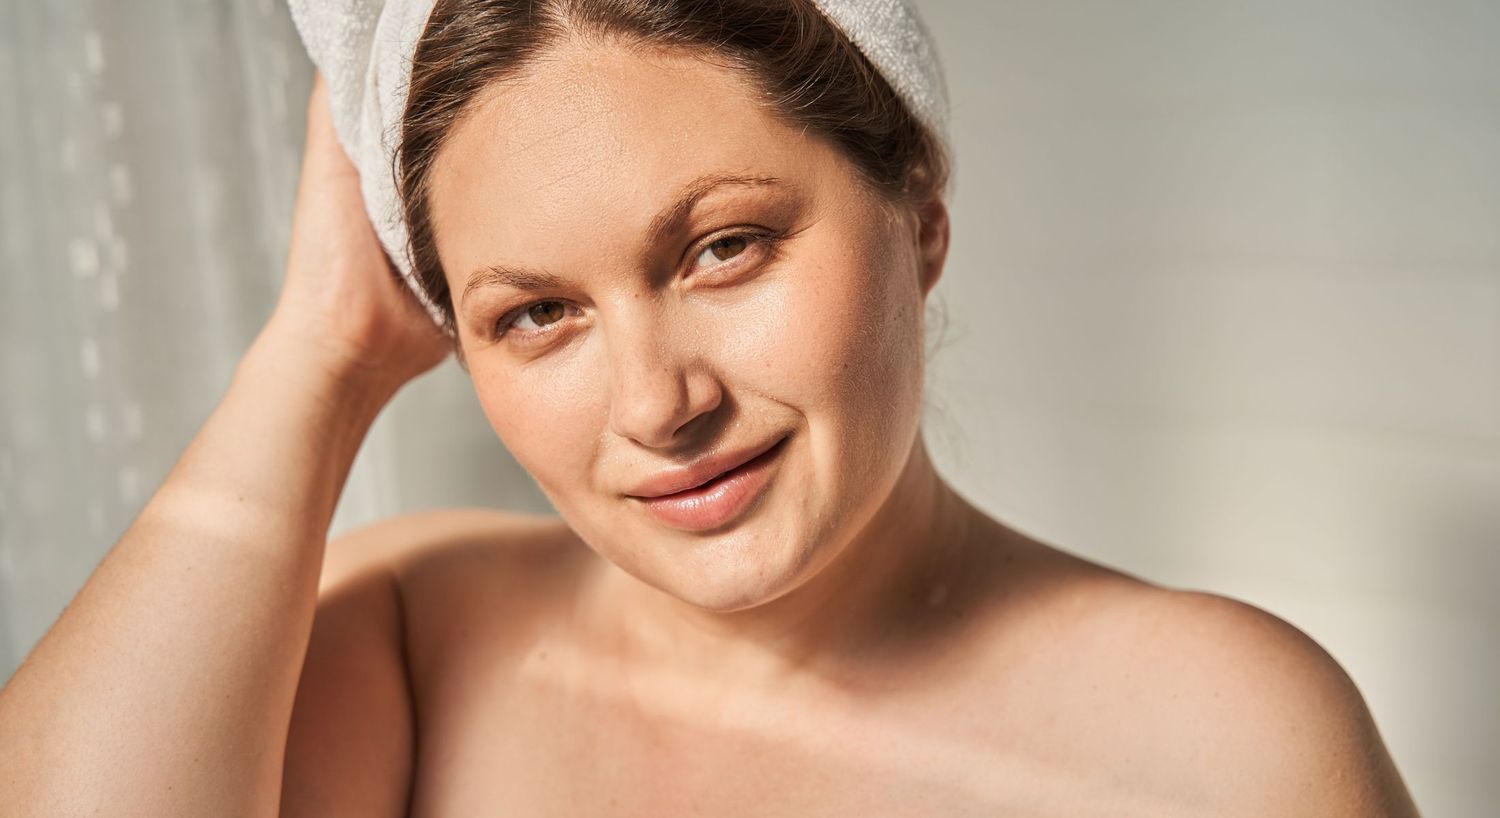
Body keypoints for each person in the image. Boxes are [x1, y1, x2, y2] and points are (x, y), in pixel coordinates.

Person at [0, 1, 1421, 815]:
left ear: (918, 213)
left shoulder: (1226, 732)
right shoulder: (404, 644)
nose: (658, 401)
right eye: (535, 312)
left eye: (724, 246)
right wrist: (317, 353)